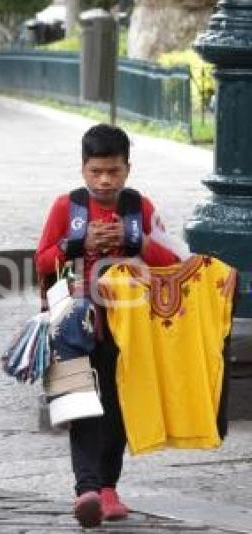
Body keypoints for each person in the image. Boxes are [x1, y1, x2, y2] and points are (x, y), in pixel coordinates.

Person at [35, 124, 181, 528]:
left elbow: (172, 264)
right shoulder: (67, 208)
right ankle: (87, 489)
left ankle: (109, 488)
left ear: (127, 170)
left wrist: (136, 243)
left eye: (113, 171)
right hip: (74, 324)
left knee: (117, 407)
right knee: (80, 403)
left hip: (130, 328)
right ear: (83, 169)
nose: (104, 180)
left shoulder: (141, 208)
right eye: (96, 171)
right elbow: (43, 261)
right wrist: (77, 245)